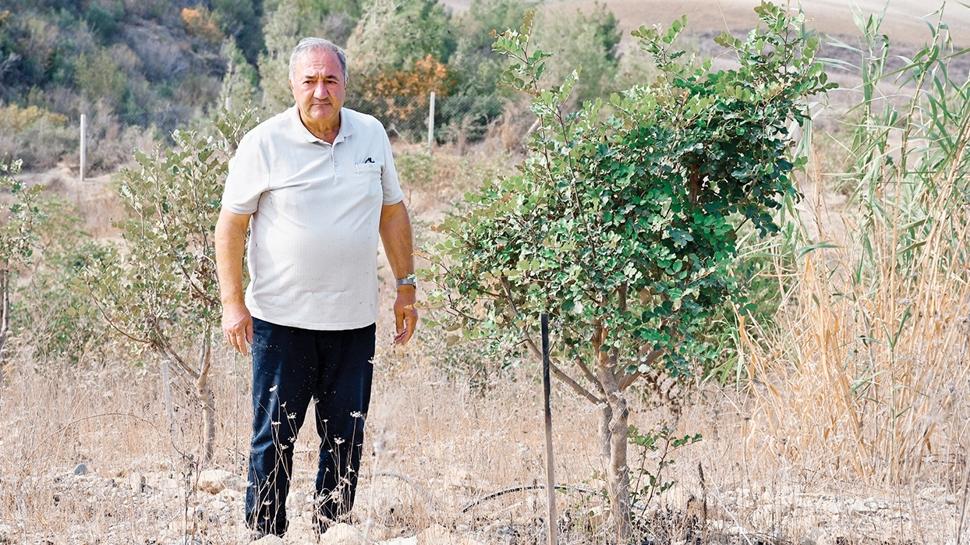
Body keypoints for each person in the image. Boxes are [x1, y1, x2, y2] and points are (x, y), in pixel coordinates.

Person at [214, 37, 418, 537]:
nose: (320, 91)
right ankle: (264, 532)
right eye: (310, 81)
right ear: (292, 86)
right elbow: (231, 226)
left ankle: (333, 531)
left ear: (345, 84)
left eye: (330, 80)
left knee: (345, 437)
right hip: (281, 323)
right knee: (274, 437)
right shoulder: (263, 142)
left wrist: (406, 288)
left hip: (353, 322)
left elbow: (392, 213)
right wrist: (232, 303)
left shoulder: (371, 135)